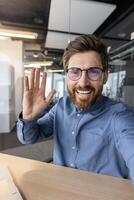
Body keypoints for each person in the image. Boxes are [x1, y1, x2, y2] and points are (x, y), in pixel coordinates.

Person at [17, 34, 134, 185]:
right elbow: (29, 138)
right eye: (74, 71)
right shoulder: (61, 106)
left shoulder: (120, 116)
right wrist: (28, 118)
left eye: (93, 72)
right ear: (67, 75)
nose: (83, 82)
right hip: (59, 190)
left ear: (105, 76)